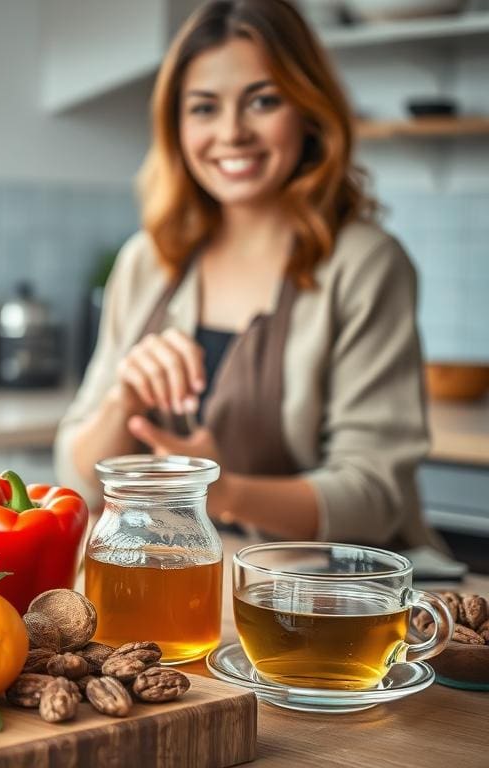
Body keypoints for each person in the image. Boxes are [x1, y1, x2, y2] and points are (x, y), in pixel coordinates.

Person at [54, 0, 445, 551]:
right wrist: (122, 401)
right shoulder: (149, 259)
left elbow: (375, 498)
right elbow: (76, 478)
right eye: (204, 107)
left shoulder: (364, 264)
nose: (232, 133)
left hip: (327, 599)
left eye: (262, 101)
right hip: (183, 584)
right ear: (176, 126)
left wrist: (223, 491)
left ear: (309, 110)